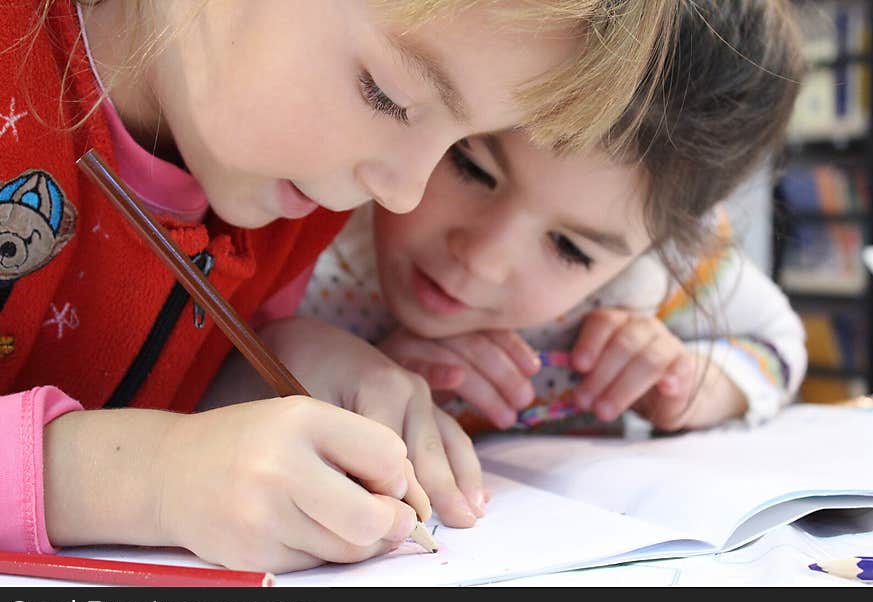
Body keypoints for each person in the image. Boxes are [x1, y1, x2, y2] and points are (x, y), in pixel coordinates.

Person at [0, 0, 679, 573]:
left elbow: (147, 384)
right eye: (390, 96)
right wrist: (147, 478)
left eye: (460, 142)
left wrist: (273, 366)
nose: (406, 192)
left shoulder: (291, 196)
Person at [276, 0, 808, 464]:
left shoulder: (655, 279)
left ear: (661, 248)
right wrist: (332, 371)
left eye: (570, 249)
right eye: (472, 168)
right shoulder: (313, 217)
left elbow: (778, 343)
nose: (482, 260)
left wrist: (694, 382)